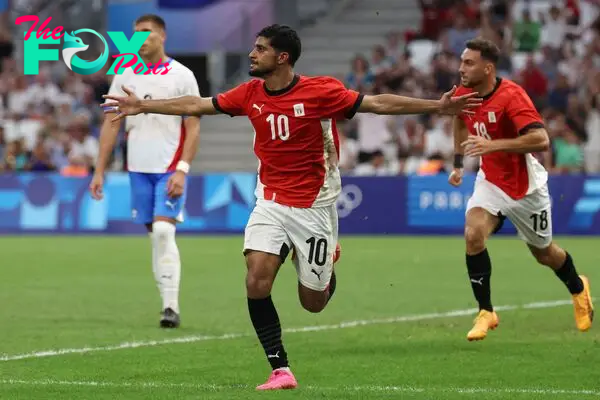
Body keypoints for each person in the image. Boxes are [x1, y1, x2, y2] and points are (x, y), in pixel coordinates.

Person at [101, 24, 481, 390]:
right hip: (269, 198)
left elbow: (378, 103)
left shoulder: (321, 92)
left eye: (260, 48)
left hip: (314, 204)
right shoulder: (250, 92)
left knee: (312, 302)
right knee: (256, 276)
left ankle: (326, 265)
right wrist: (143, 105)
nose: (252, 53)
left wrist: (438, 106)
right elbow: (198, 104)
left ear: (282, 57)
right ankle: (280, 367)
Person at [449, 38, 593, 342]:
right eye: (461, 61)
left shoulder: (512, 96)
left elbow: (541, 140)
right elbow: (459, 121)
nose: (461, 68)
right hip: (490, 182)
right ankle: (486, 311)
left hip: (526, 187)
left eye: (468, 63)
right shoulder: (463, 94)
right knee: (473, 234)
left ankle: (578, 289)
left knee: (544, 254)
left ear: (487, 68)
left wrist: (493, 145)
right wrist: (458, 163)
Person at [89, 14, 201, 329]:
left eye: (146, 32)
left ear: (162, 35)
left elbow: (193, 127)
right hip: (138, 168)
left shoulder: (182, 75)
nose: (140, 38)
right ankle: (167, 304)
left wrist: (182, 169)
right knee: (156, 237)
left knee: (165, 232)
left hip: (169, 166)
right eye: (135, 33)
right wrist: (99, 170)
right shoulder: (125, 74)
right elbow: (111, 124)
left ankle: (171, 307)